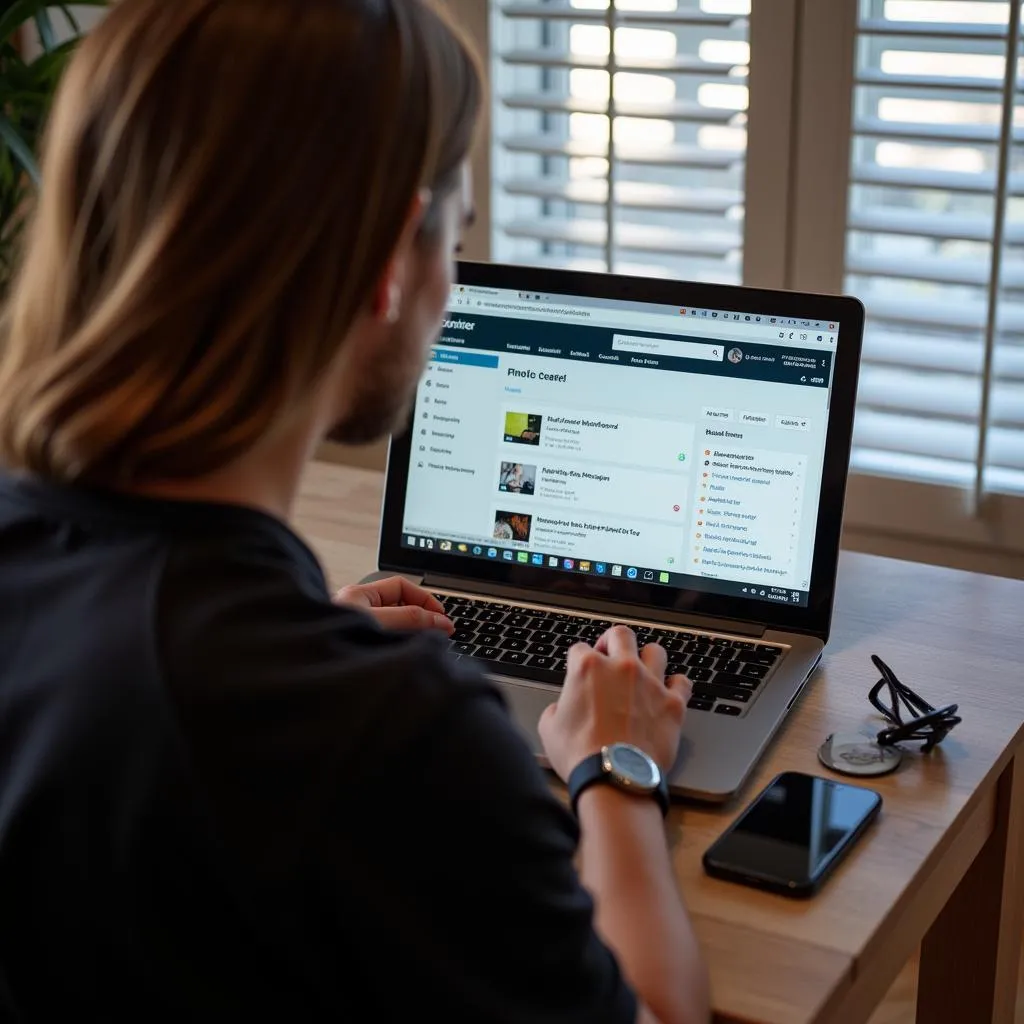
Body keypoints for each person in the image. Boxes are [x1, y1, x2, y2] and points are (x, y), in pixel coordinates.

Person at [0, 2, 709, 1022]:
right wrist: (617, 764)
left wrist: (284, 642)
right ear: (387, 265)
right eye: (452, 241)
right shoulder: (392, 733)